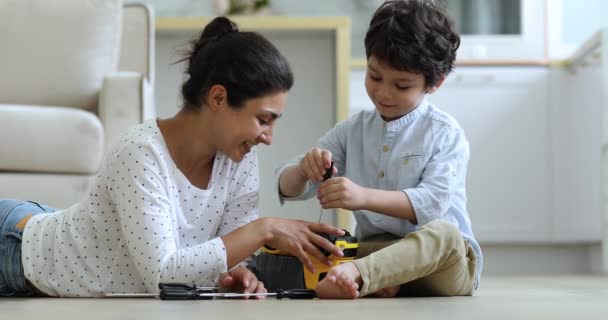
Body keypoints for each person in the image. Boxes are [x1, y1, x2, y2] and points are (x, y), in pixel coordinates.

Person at [0, 16, 345, 298]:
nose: (268, 138)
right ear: (218, 98)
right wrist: (266, 229)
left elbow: (227, 251)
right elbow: (163, 275)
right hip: (16, 252)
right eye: (263, 119)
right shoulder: (140, 152)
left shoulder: (239, 158)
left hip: (54, 236)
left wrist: (238, 274)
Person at [277, 0, 483, 299]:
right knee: (325, 242)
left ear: (434, 83)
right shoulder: (353, 129)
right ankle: (381, 279)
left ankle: (362, 275)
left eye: (402, 85)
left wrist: (361, 197)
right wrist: (302, 169)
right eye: (374, 77)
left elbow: (432, 202)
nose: (384, 93)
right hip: (377, 250)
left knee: (447, 236)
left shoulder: (444, 133)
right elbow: (289, 186)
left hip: (442, 264)